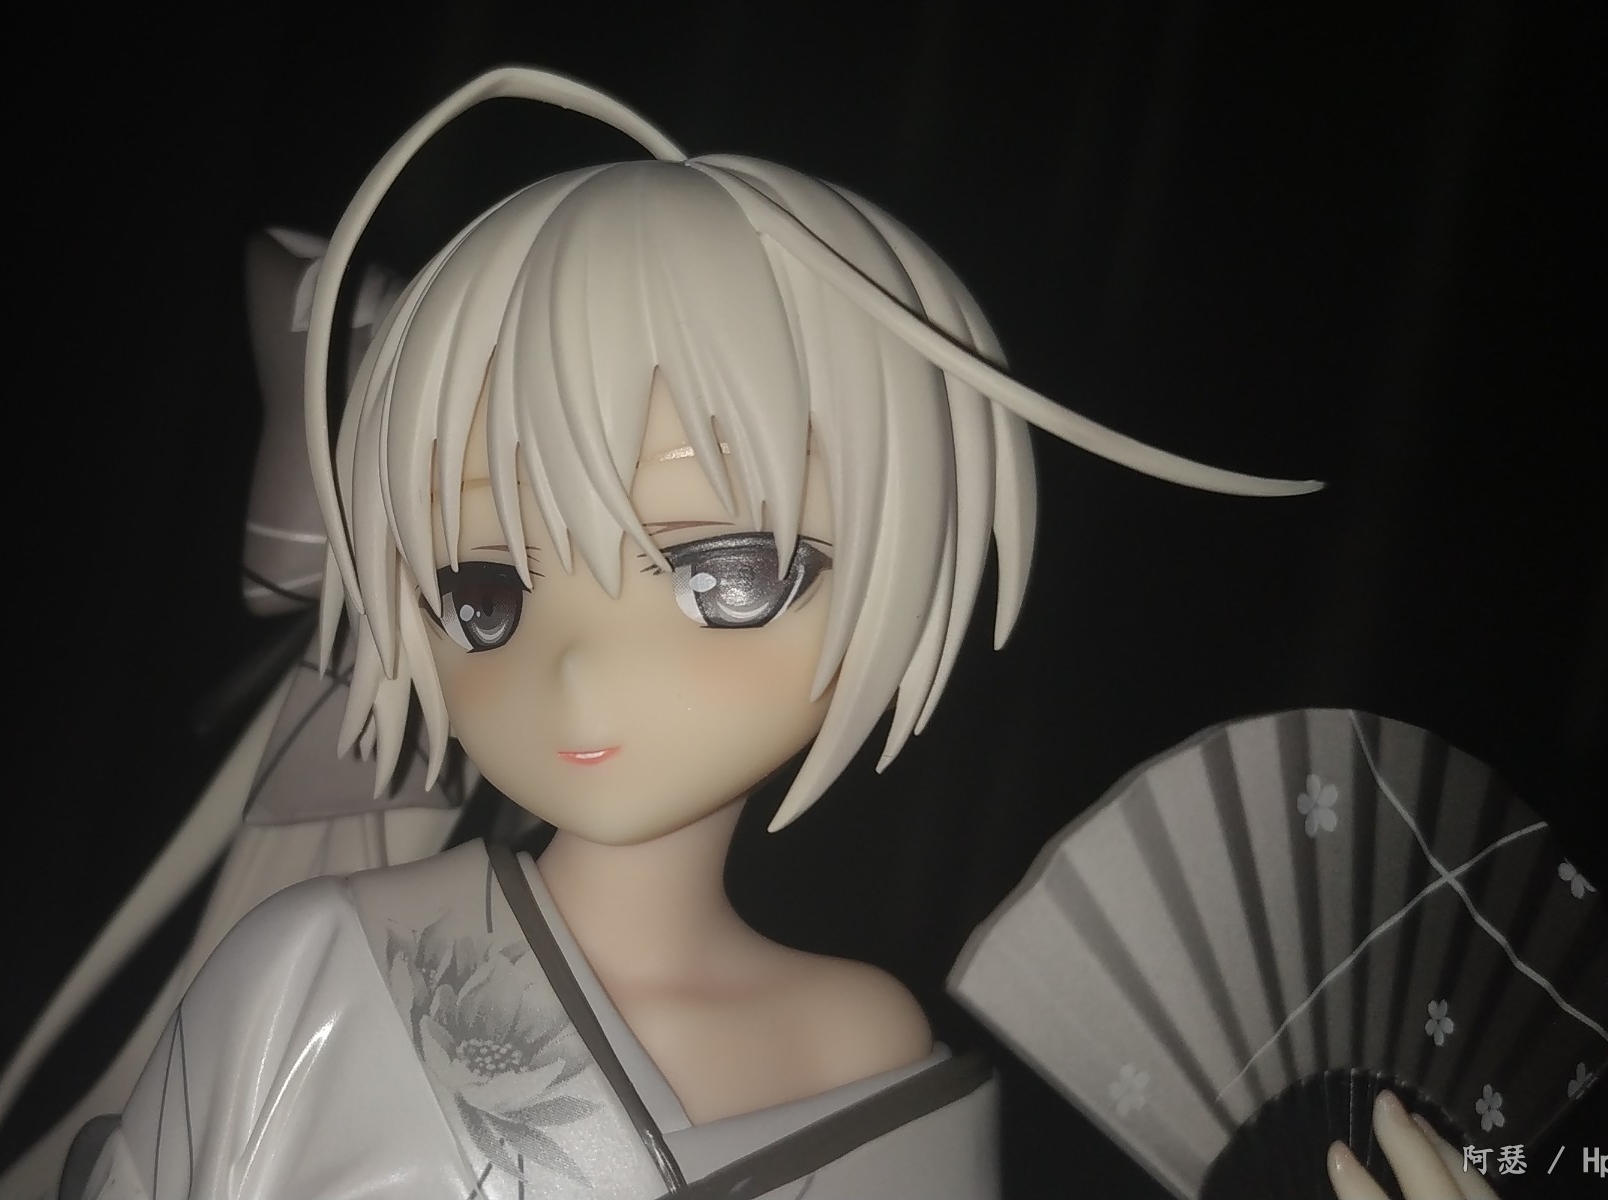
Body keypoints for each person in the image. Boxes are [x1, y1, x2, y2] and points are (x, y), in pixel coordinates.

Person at [72, 66, 1322, 1198]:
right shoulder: (318, 966)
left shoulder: (860, 1044)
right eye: (483, 595)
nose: (577, 667)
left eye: (724, 578)